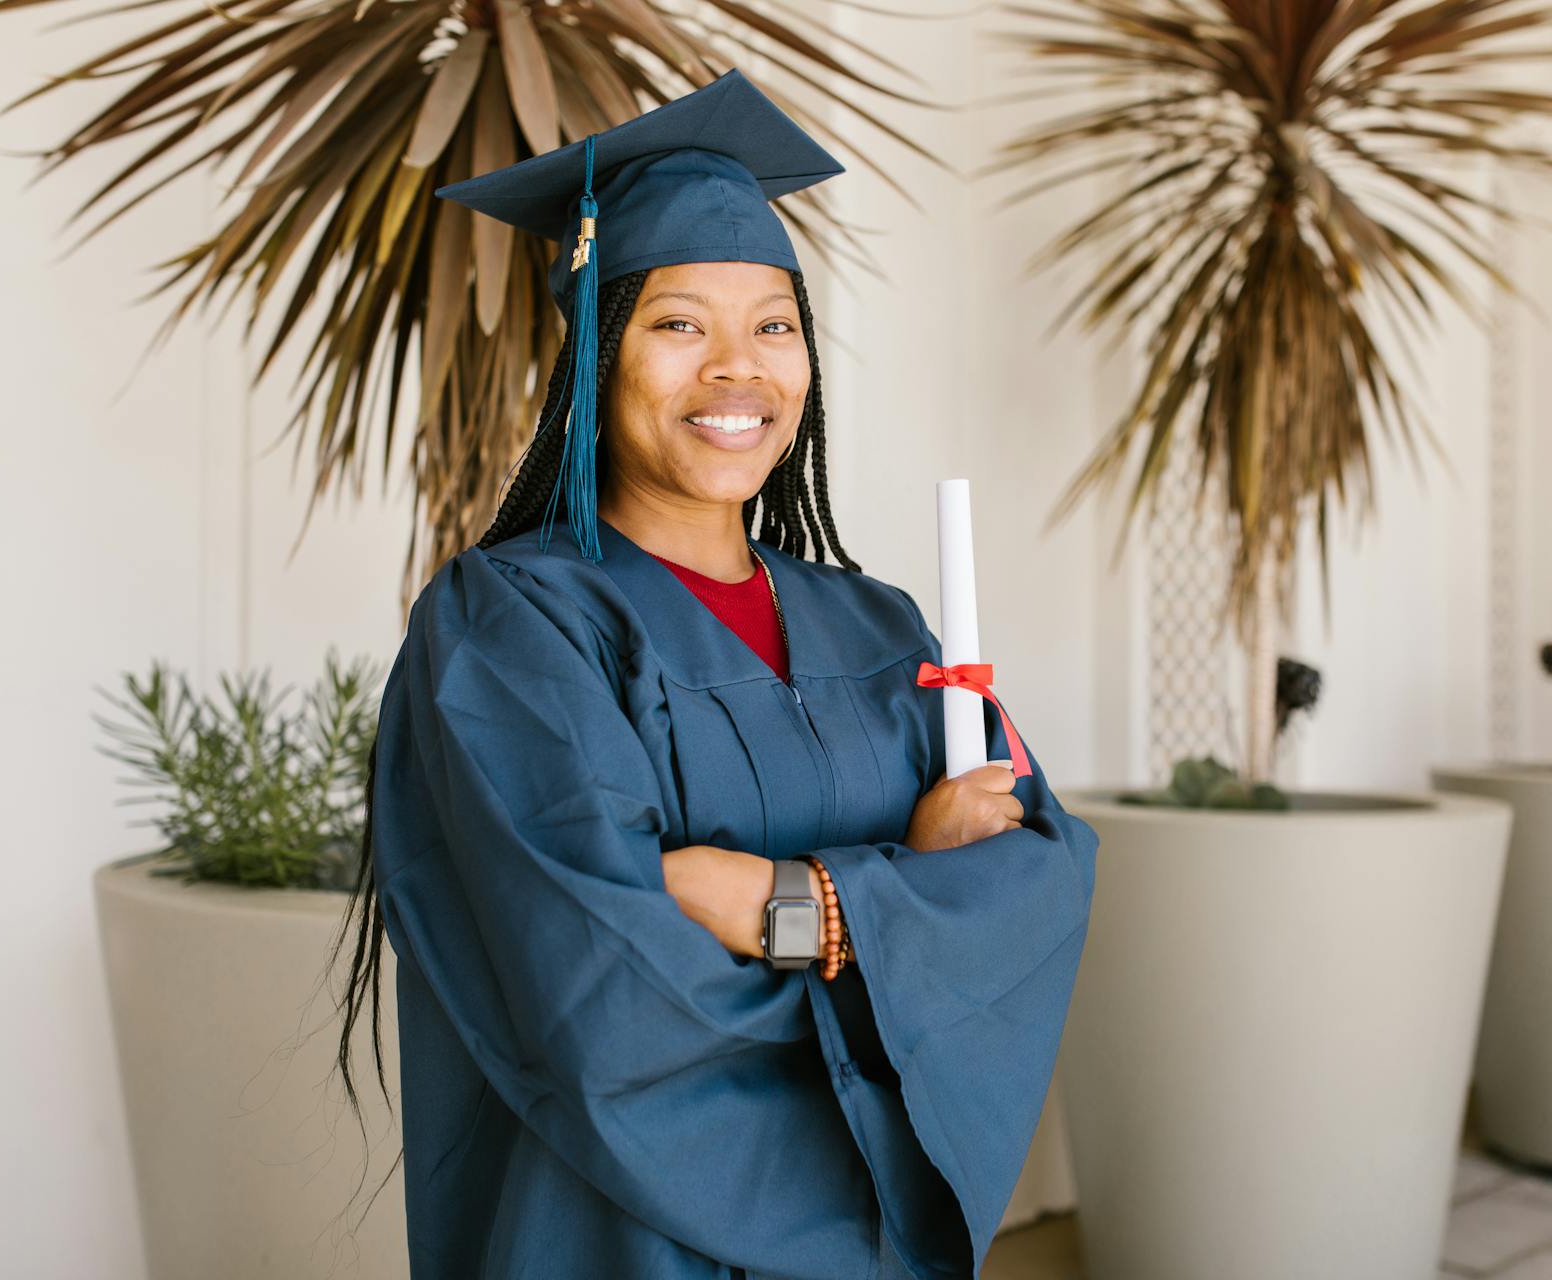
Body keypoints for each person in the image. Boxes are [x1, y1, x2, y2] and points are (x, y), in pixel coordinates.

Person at [333, 68, 1099, 1280]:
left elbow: (1038, 881)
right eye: (680, 323)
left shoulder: (882, 626)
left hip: (873, 1240)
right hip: (614, 1235)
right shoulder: (509, 624)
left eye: (774, 325)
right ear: (597, 354)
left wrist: (792, 905)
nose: (737, 370)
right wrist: (905, 914)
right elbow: (598, 991)